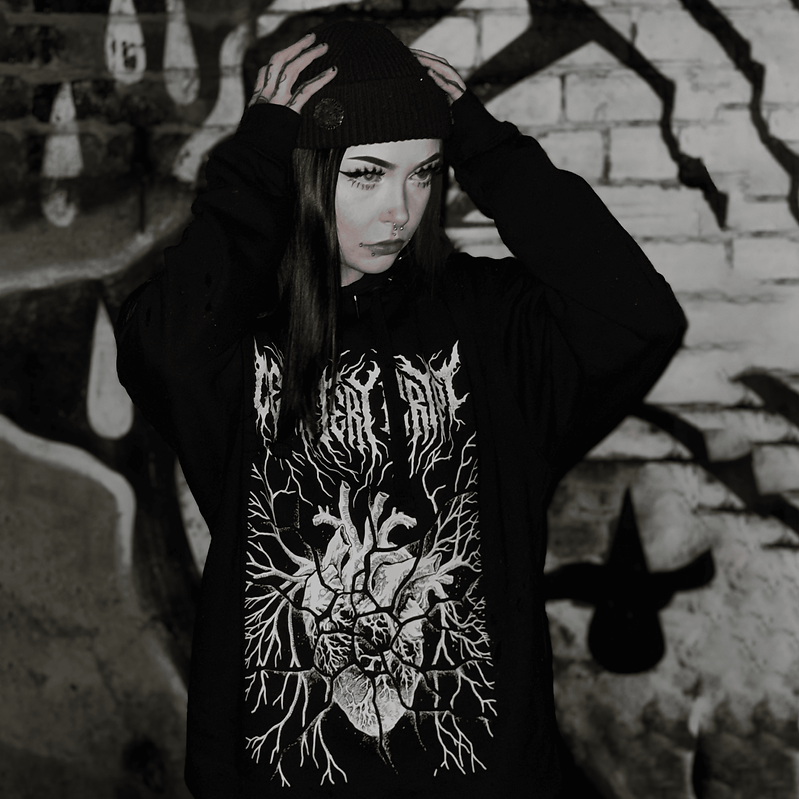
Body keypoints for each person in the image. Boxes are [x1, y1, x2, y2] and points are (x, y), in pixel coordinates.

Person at [116, 19, 686, 799]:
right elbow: (161, 346)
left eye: (423, 173)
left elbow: (638, 316)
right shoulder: (233, 340)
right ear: (302, 172)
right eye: (366, 174)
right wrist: (256, 159)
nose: (398, 210)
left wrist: (488, 150)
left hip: (482, 779)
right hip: (279, 776)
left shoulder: (487, 322)